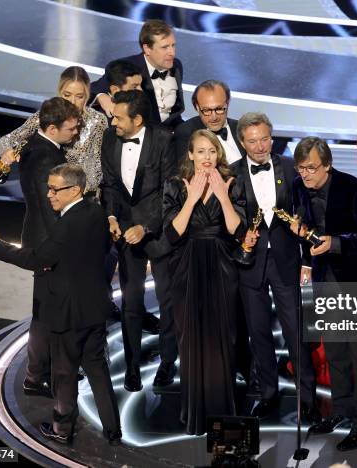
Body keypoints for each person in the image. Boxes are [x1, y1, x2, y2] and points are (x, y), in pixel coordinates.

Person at [0, 164, 121, 445]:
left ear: (75, 190)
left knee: (64, 374)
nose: (49, 194)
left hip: (67, 314)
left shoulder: (67, 224)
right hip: (95, 309)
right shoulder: (96, 212)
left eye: (55, 189)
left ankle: (61, 430)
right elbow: (101, 249)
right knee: (98, 370)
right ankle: (113, 431)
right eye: (49, 187)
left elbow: (37, 259)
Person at [292, 137, 357, 451]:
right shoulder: (297, 187)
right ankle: (342, 410)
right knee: (335, 350)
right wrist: (301, 234)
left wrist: (336, 242)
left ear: (328, 165)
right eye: (301, 168)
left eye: (311, 168)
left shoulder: (352, 189)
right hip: (325, 279)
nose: (305, 174)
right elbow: (308, 228)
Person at [231, 112, 320, 424]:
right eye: (253, 141)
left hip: (285, 261)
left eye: (265, 139)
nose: (260, 146)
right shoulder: (232, 174)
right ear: (242, 142)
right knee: (259, 333)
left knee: (295, 331)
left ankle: (307, 398)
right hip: (250, 265)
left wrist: (308, 260)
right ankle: (268, 394)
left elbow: (307, 214)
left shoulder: (287, 167)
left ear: (272, 137)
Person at [162, 129, 245, 435]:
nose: (207, 158)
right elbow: (171, 234)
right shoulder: (174, 185)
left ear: (218, 155)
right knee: (191, 338)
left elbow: (238, 231)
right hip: (186, 267)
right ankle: (194, 414)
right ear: (190, 154)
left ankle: (223, 414)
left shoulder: (231, 183)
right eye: (201, 151)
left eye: (212, 151)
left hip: (223, 266)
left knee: (223, 338)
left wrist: (223, 197)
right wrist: (191, 199)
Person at [100, 90, 177, 392]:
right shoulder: (109, 138)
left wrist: (146, 227)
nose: (113, 121)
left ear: (138, 119)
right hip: (125, 232)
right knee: (131, 305)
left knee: (167, 302)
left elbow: (169, 193)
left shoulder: (164, 140)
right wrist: (110, 218)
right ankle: (132, 367)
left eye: (118, 117)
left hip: (157, 233)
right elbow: (108, 186)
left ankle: (167, 363)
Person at [14, 97, 81, 398]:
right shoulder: (45, 158)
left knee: (50, 311)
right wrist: (63, 247)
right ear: (52, 128)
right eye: (71, 128)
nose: (76, 132)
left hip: (41, 239)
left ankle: (46, 370)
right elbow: (50, 207)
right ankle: (35, 377)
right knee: (45, 315)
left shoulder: (39, 148)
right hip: (46, 243)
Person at [0, 66, 107, 197]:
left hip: (80, 197)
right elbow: (3, 142)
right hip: (47, 194)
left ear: (87, 95)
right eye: (67, 95)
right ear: (59, 92)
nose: (73, 101)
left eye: (79, 96)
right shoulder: (45, 116)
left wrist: (70, 193)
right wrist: (8, 152)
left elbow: (96, 172)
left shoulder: (97, 121)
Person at [90, 19, 184, 128]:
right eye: (165, 47)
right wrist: (101, 97)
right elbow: (91, 89)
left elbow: (175, 109)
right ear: (147, 49)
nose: (172, 53)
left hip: (173, 128)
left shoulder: (176, 65)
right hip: (145, 132)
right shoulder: (128, 67)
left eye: (173, 45)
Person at [174, 80, 245, 167]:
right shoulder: (186, 132)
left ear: (228, 103)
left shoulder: (242, 128)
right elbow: (185, 172)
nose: (214, 117)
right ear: (197, 108)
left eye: (219, 109)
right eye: (207, 110)